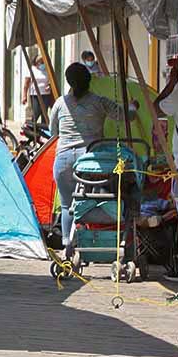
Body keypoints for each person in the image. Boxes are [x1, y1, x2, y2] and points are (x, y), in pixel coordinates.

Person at [50, 62, 131, 245]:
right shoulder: (100, 102)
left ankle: (67, 244)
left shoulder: (60, 103)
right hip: (90, 160)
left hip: (62, 159)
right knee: (89, 202)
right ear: (89, 80)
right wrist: (132, 106)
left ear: (69, 82)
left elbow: (53, 132)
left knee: (66, 205)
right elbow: (125, 115)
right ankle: (92, 241)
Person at [23, 53, 53, 123]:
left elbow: (51, 81)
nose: (42, 64)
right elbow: (26, 84)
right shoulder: (31, 69)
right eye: (41, 62)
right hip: (35, 94)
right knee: (37, 111)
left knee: (44, 113)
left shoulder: (47, 69)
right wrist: (24, 96)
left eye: (43, 62)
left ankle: (44, 129)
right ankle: (30, 125)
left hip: (45, 94)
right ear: (36, 62)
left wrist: (49, 86)